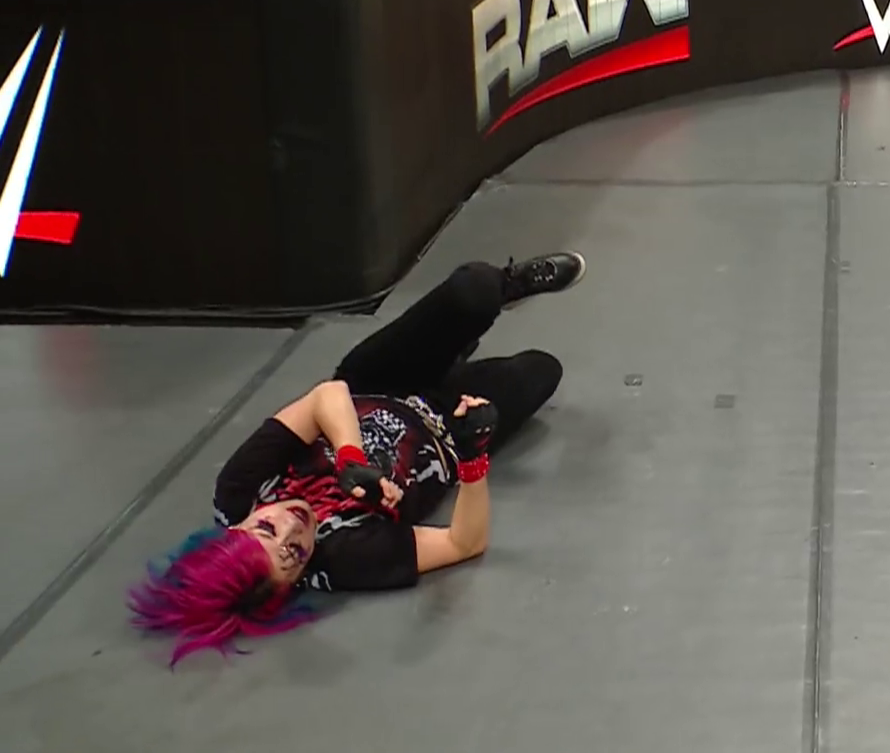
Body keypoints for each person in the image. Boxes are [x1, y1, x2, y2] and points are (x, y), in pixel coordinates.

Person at [128, 253, 585, 665]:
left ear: (239, 527)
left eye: (267, 528)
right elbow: (463, 543)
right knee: (543, 369)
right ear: (293, 581)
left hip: (378, 381)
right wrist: (472, 456)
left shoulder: (239, 491)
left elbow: (327, 396)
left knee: (475, 291)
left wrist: (350, 457)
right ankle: (454, 355)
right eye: (293, 554)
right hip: (445, 424)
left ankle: (507, 288)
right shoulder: (346, 557)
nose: (293, 526)